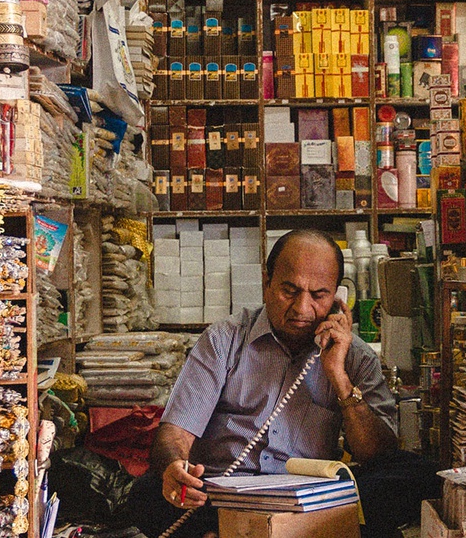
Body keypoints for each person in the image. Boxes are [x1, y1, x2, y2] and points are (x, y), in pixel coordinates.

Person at [127, 229, 441, 538]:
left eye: (319, 295)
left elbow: (377, 455)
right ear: (267, 282)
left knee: (421, 474)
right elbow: (175, 433)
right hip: (223, 496)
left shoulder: (355, 357)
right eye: (289, 291)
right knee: (148, 492)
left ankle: (231, 535)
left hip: (313, 502)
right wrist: (175, 470)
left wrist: (339, 378)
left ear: (337, 296)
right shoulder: (224, 340)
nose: (303, 310)